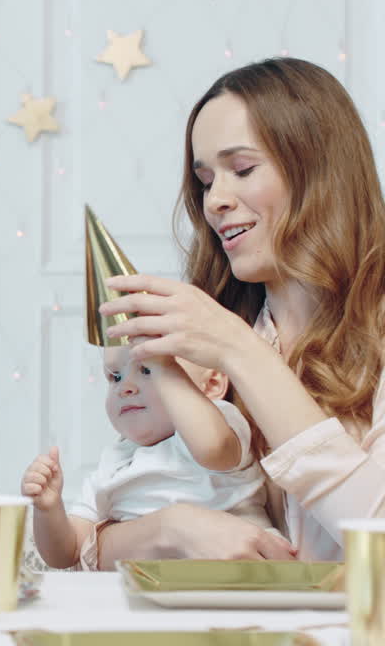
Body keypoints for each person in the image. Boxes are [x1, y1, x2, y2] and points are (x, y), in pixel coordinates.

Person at [97, 57, 385, 564]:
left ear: (319, 170)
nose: (215, 202)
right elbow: (94, 532)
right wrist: (171, 528)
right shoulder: (207, 339)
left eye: (243, 169)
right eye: (206, 180)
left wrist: (241, 352)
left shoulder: (228, 339)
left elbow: (376, 540)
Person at [22, 345, 269, 570]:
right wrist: (48, 510)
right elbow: (69, 552)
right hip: (151, 591)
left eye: (149, 369)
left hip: (245, 568)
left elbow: (213, 449)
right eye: (115, 377)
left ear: (212, 385)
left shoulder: (220, 422)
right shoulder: (114, 462)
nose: (125, 387)